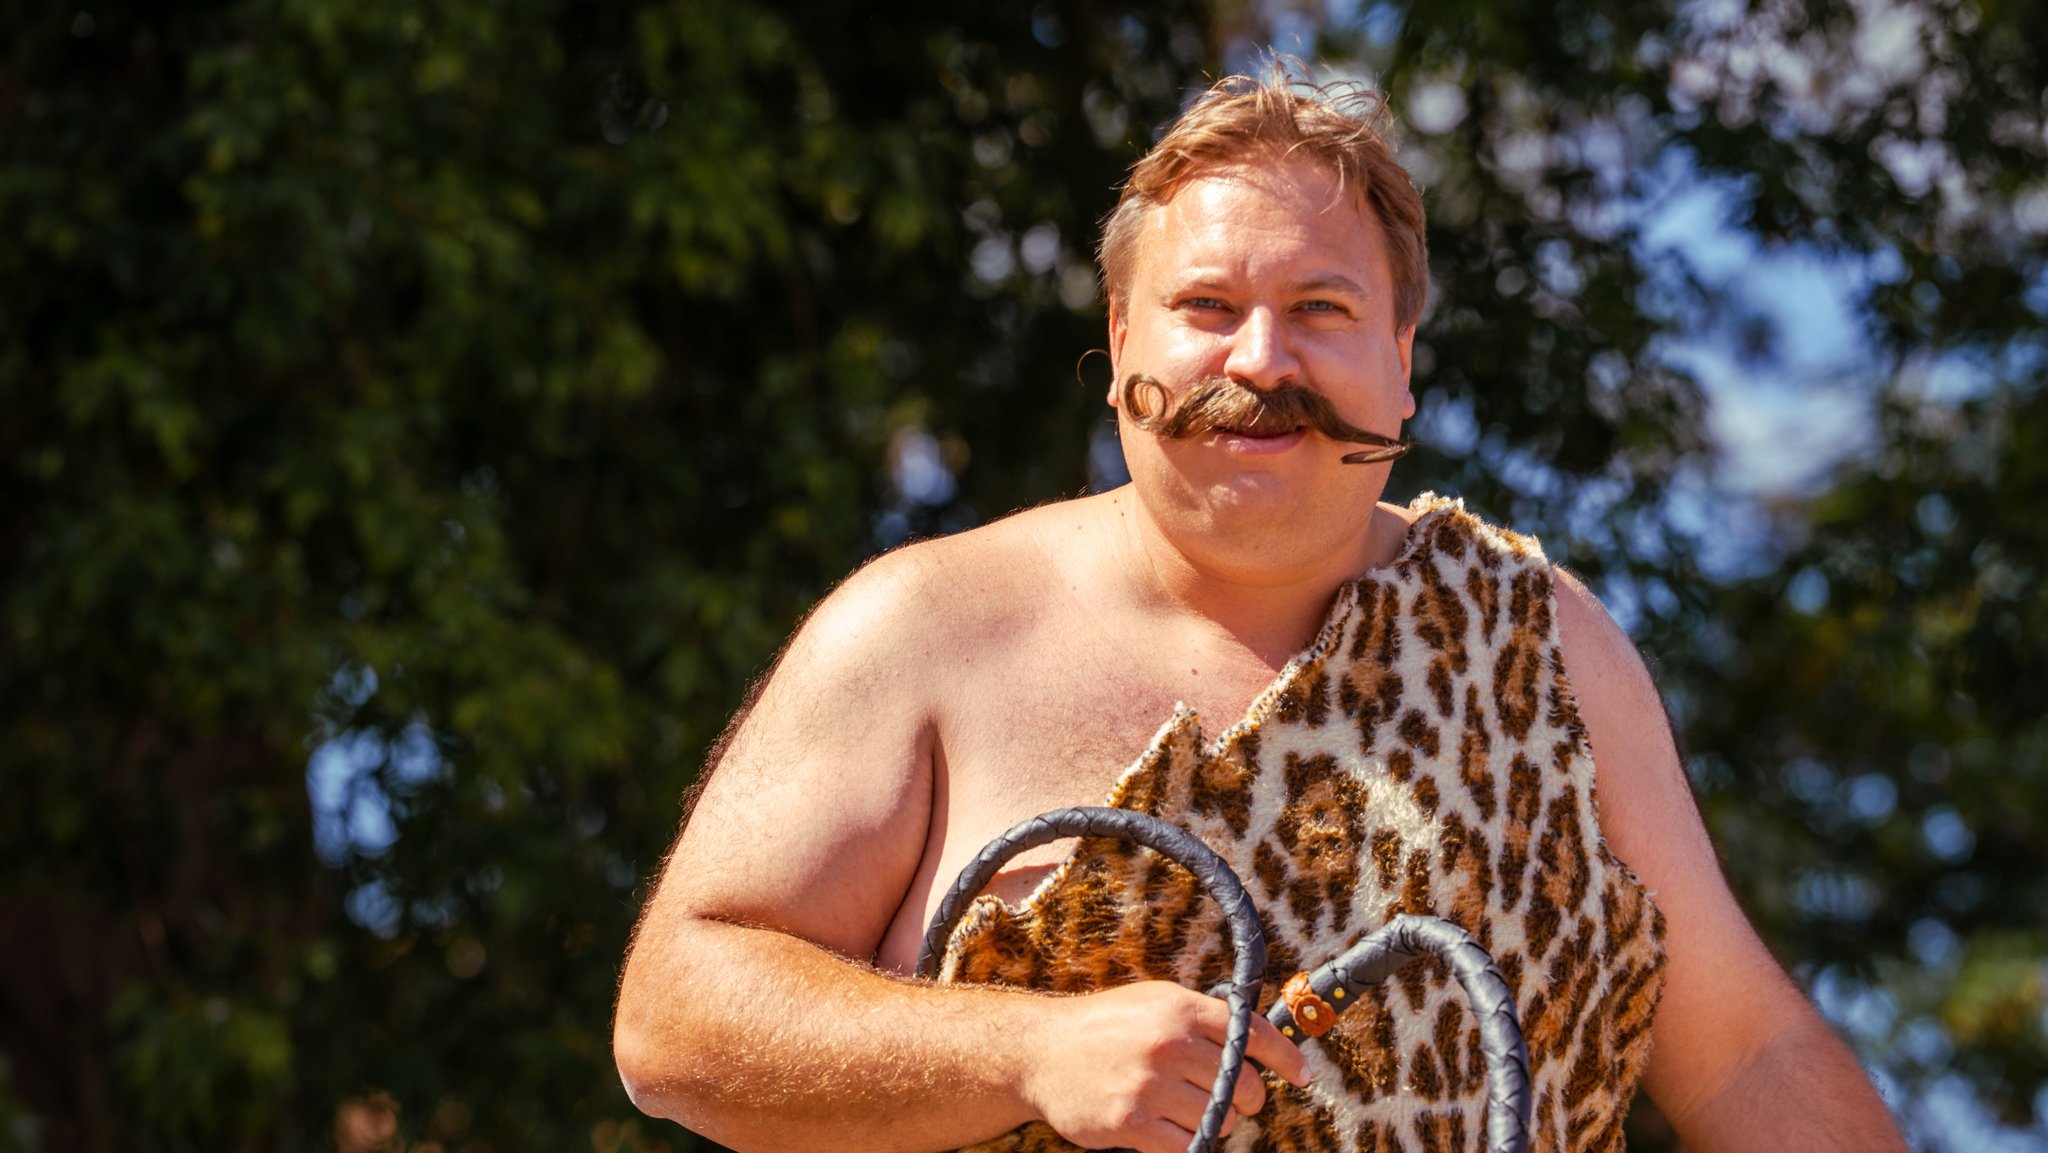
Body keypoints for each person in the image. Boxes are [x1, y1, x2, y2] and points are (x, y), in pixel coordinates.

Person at [612, 66, 1908, 1153]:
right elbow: (674, 1019)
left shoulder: (1542, 639)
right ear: (1120, 345)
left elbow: (1745, 1051)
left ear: (1402, 365)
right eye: (1208, 308)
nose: (1261, 360)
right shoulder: (925, 628)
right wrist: (1024, 1048)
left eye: (1323, 311)